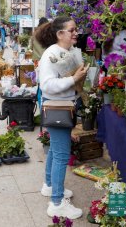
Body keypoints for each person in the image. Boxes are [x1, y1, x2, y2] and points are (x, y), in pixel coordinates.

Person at [37, 16, 88, 219]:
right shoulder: (51, 54)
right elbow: (46, 85)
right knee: (61, 154)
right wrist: (73, 79)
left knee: (55, 151)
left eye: (76, 29)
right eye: (72, 30)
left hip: (65, 105)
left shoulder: (66, 52)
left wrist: (80, 80)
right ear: (60, 34)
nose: (76, 33)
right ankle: (57, 203)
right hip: (57, 107)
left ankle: (50, 186)